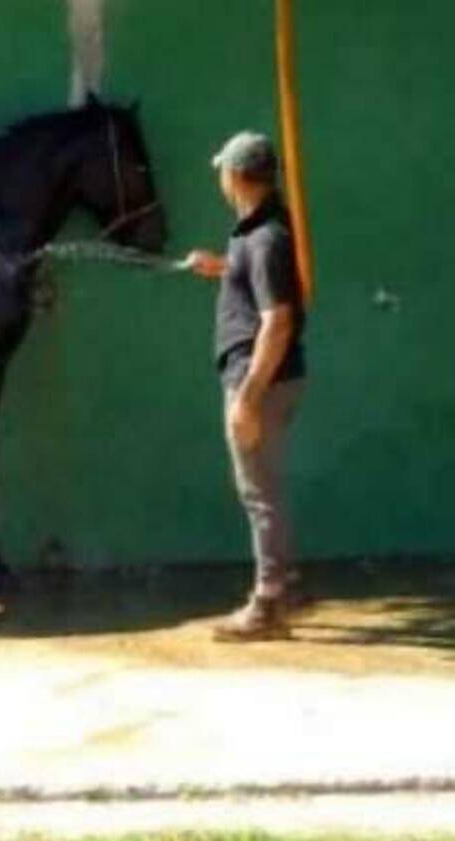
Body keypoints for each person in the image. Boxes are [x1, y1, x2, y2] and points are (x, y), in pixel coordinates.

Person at [186, 131, 307, 642]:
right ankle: (285, 583)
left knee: (259, 493)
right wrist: (221, 268)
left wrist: (248, 398)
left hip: (259, 380)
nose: (220, 178)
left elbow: (276, 321)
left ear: (235, 176)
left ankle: (268, 604)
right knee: (265, 489)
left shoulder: (265, 239)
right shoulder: (256, 234)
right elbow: (260, 283)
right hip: (267, 377)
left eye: (222, 170)